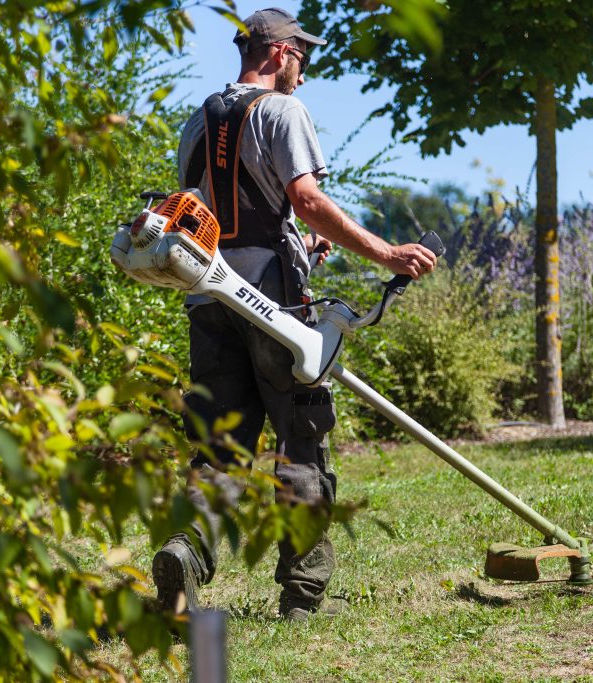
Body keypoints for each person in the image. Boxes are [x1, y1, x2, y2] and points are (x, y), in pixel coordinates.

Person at [152, 6, 438, 621]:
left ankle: (186, 549)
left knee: (220, 445)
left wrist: (301, 245)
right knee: (300, 442)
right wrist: (388, 251)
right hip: (274, 307)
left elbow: (210, 220)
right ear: (280, 54)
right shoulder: (283, 112)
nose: (303, 76)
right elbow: (304, 197)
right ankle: (303, 596)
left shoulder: (197, 119)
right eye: (301, 61)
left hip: (210, 297)